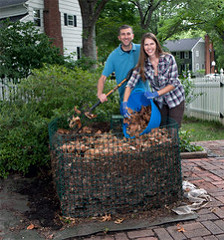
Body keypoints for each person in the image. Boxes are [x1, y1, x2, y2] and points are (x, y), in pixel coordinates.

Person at [122, 32, 185, 127]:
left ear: (156, 45)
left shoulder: (168, 59)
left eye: (152, 43)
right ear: (143, 47)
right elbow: (130, 84)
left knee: (173, 129)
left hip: (175, 99)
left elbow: (173, 83)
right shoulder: (143, 65)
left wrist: (156, 93)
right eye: (146, 44)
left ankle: (175, 142)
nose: (149, 47)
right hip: (160, 102)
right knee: (162, 129)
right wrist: (125, 103)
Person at [97, 25, 149, 108]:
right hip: (126, 101)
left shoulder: (142, 49)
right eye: (123, 34)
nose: (126, 37)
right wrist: (100, 94)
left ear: (132, 36)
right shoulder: (113, 56)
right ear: (119, 37)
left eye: (128, 34)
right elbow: (103, 77)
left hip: (145, 97)